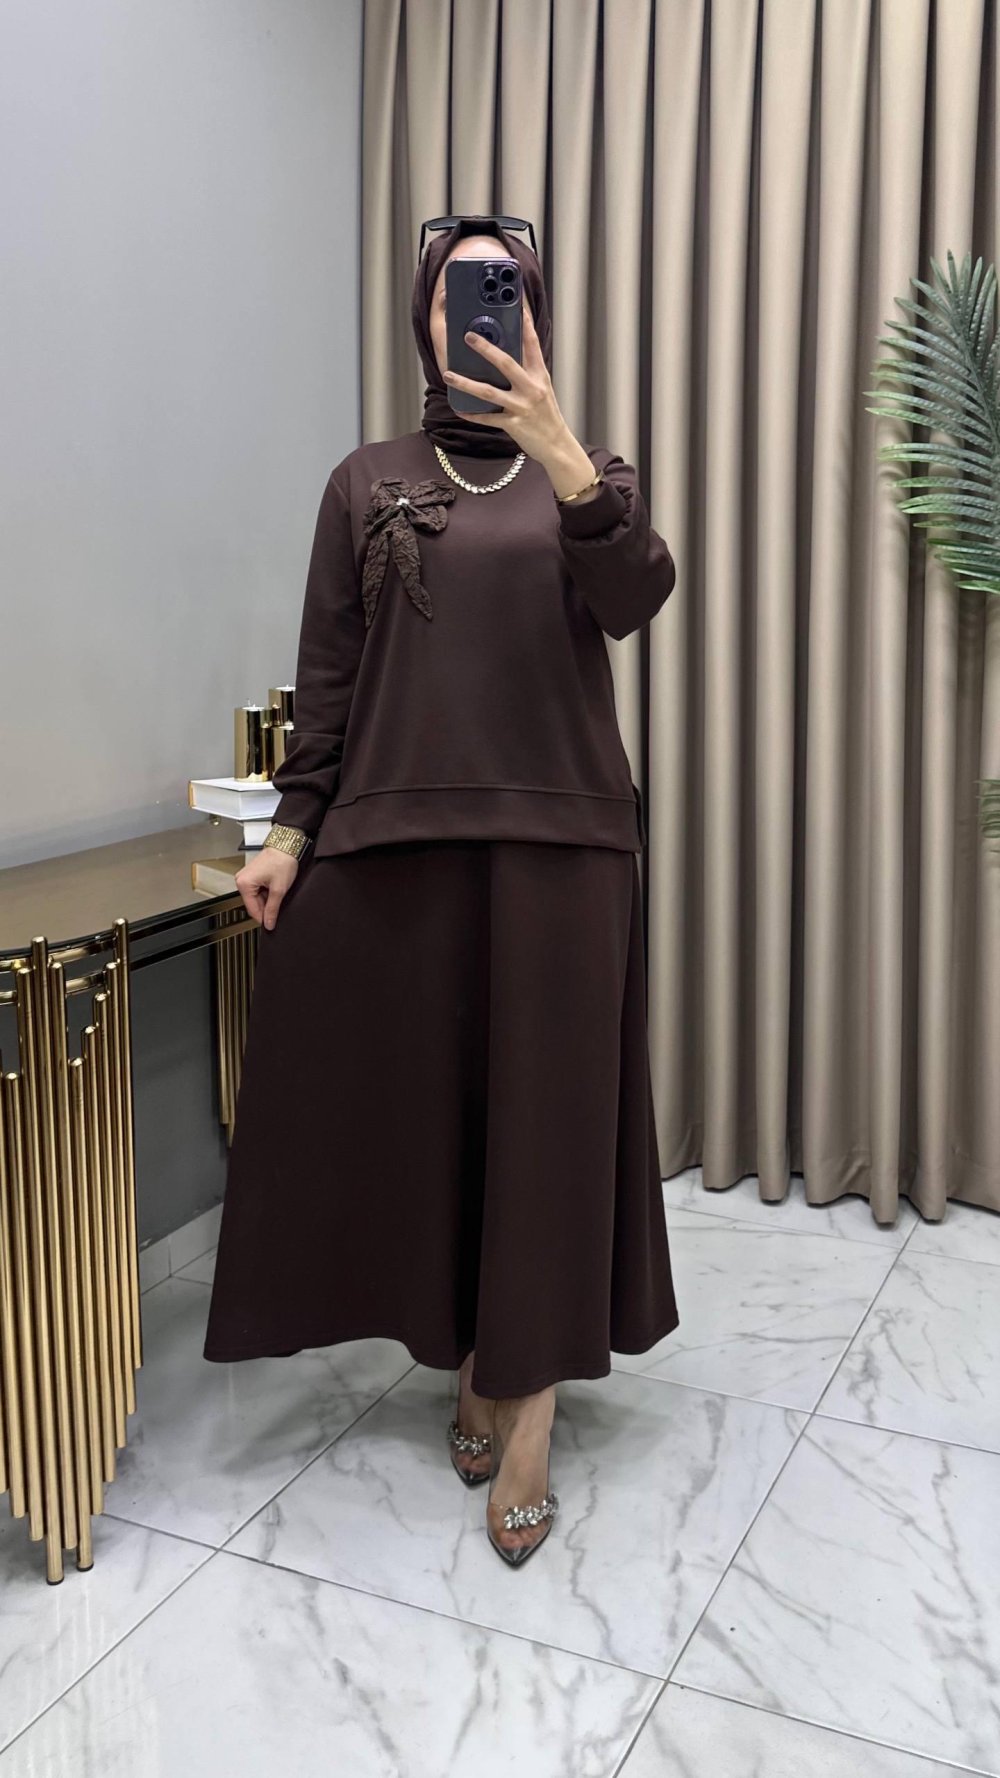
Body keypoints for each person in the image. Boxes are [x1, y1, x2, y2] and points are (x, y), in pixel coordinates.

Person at [203, 214, 680, 1567]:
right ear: (424, 314)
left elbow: (637, 595)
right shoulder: (366, 481)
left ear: (535, 309)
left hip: (564, 849)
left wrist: (564, 450)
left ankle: (528, 1414)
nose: (480, 305)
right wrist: (292, 830)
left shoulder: (591, 473)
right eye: (460, 287)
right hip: (402, 843)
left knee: (548, 1133)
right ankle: (468, 1352)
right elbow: (332, 673)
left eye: (503, 285)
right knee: (436, 1127)